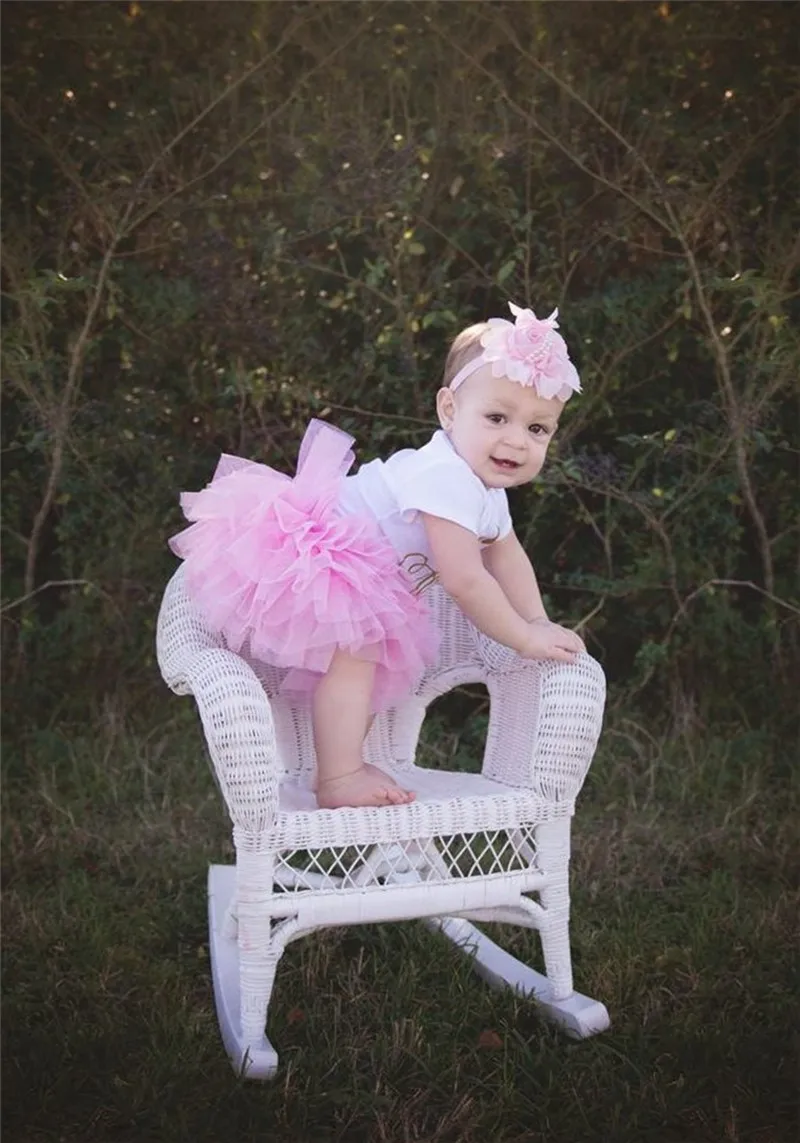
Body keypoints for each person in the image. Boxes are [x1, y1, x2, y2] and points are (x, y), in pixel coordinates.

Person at [169, 302, 585, 810]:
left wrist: (538, 619)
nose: (516, 440)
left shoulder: (485, 492)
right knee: (358, 654)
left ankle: (345, 765)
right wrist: (523, 637)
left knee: (370, 660)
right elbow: (465, 579)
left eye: (538, 429)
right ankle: (338, 777)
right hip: (320, 554)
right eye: (497, 417)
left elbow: (506, 556)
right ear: (449, 410)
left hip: (369, 579)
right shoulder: (445, 476)